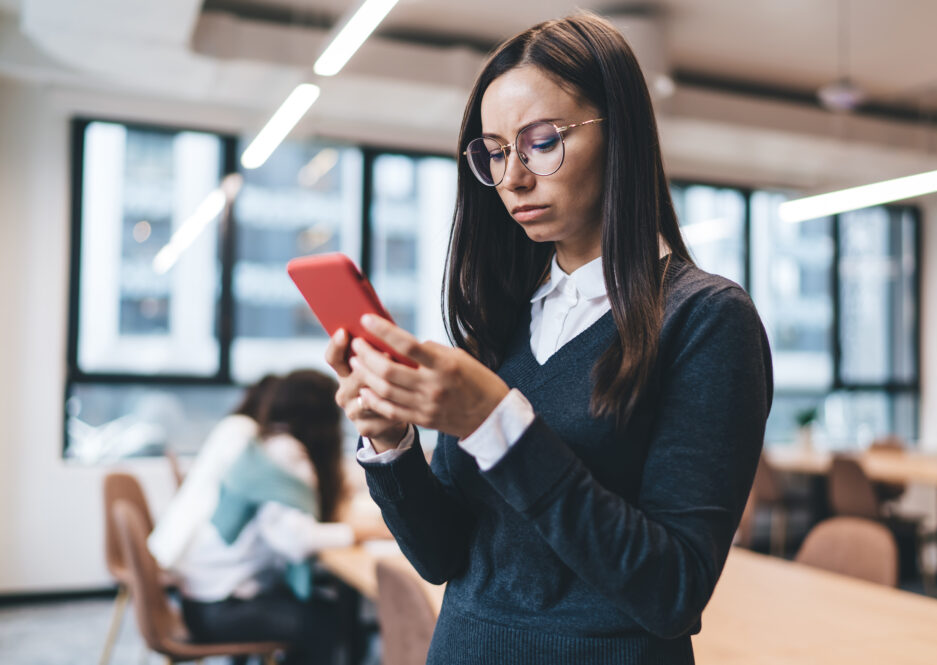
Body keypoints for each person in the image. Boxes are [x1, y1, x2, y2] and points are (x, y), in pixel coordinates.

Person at [325, 13, 773, 665]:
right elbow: (444, 557)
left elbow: (672, 591)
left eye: (540, 142)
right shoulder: (499, 318)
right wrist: (393, 444)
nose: (512, 177)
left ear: (619, 134)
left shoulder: (706, 319)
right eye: (495, 152)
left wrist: (496, 423)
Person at [170, 370, 360, 665]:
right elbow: (295, 542)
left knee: (327, 611)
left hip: (200, 597)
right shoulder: (285, 455)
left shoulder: (265, 444)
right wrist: (362, 531)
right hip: (219, 607)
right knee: (327, 621)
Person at [149, 374, 280, 569]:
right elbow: (250, 483)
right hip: (191, 544)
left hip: (181, 534)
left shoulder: (233, 424)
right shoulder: (243, 430)